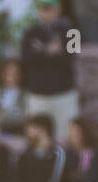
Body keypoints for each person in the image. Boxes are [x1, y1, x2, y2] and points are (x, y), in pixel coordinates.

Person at [18, 0, 77, 140]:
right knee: (37, 138)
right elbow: (27, 60)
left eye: (49, 8)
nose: (46, 13)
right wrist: (51, 51)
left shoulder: (73, 31)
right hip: (38, 94)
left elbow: (70, 59)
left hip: (64, 94)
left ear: (58, 9)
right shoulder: (29, 33)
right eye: (43, 9)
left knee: (65, 137)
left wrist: (41, 51)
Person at [15, 113, 77, 182]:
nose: (27, 131)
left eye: (30, 127)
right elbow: (20, 179)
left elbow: (55, 181)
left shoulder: (58, 153)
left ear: (42, 129)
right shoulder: (24, 154)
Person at [0, 59, 29, 134]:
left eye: (15, 73)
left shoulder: (24, 94)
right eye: (9, 72)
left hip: (17, 129)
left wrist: (5, 116)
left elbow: (24, 117)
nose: (12, 76)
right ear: (3, 74)